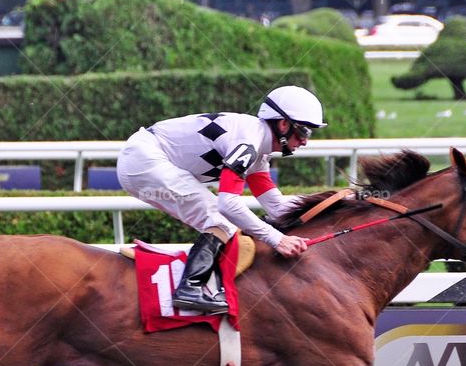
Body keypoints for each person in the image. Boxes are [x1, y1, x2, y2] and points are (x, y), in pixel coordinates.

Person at [117, 85, 326, 314]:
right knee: (220, 221)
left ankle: (195, 285)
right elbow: (228, 204)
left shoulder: (258, 150)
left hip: (145, 158)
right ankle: (190, 288)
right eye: (303, 131)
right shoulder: (248, 143)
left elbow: (276, 206)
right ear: (283, 124)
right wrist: (277, 239)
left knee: (221, 223)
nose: (305, 141)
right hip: (143, 160)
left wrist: (326, 214)